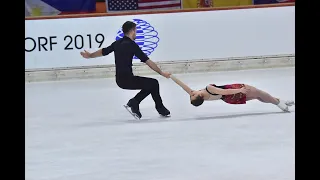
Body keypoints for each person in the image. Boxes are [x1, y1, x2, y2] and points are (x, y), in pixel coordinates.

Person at [80, 21, 171, 119]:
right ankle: (155, 107)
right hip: (128, 80)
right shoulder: (132, 45)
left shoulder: (117, 43)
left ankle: (136, 102)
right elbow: (148, 62)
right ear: (132, 31)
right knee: (154, 83)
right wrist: (161, 73)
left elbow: (104, 51)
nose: (136, 33)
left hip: (119, 80)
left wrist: (90, 55)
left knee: (149, 85)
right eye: (135, 30)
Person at [169, 75, 294, 112]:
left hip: (229, 99)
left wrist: (171, 77)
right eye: (192, 95)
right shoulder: (208, 89)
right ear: (199, 96)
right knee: (259, 93)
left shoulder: (200, 97)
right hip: (233, 91)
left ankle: (280, 101)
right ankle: (279, 103)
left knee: (258, 96)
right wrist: (240, 90)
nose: (191, 93)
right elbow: (225, 91)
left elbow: (181, 85)